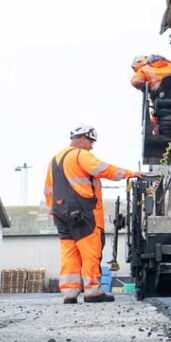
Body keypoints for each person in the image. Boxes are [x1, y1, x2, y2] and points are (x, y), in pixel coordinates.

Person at [44, 125, 143, 304]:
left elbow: (48, 189)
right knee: (91, 251)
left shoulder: (55, 160)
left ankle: (70, 293)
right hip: (82, 211)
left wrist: (53, 210)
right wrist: (130, 174)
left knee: (69, 253)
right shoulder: (81, 155)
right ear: (82, 139)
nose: (92, 147)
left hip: (60, 213)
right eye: (90, 142)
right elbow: (103, 169)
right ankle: (93, 291)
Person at [131, 55, 171, 138]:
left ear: (139, 63)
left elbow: (135, 82)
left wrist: (145, 87)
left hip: (162, 107)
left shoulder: (144, 69)